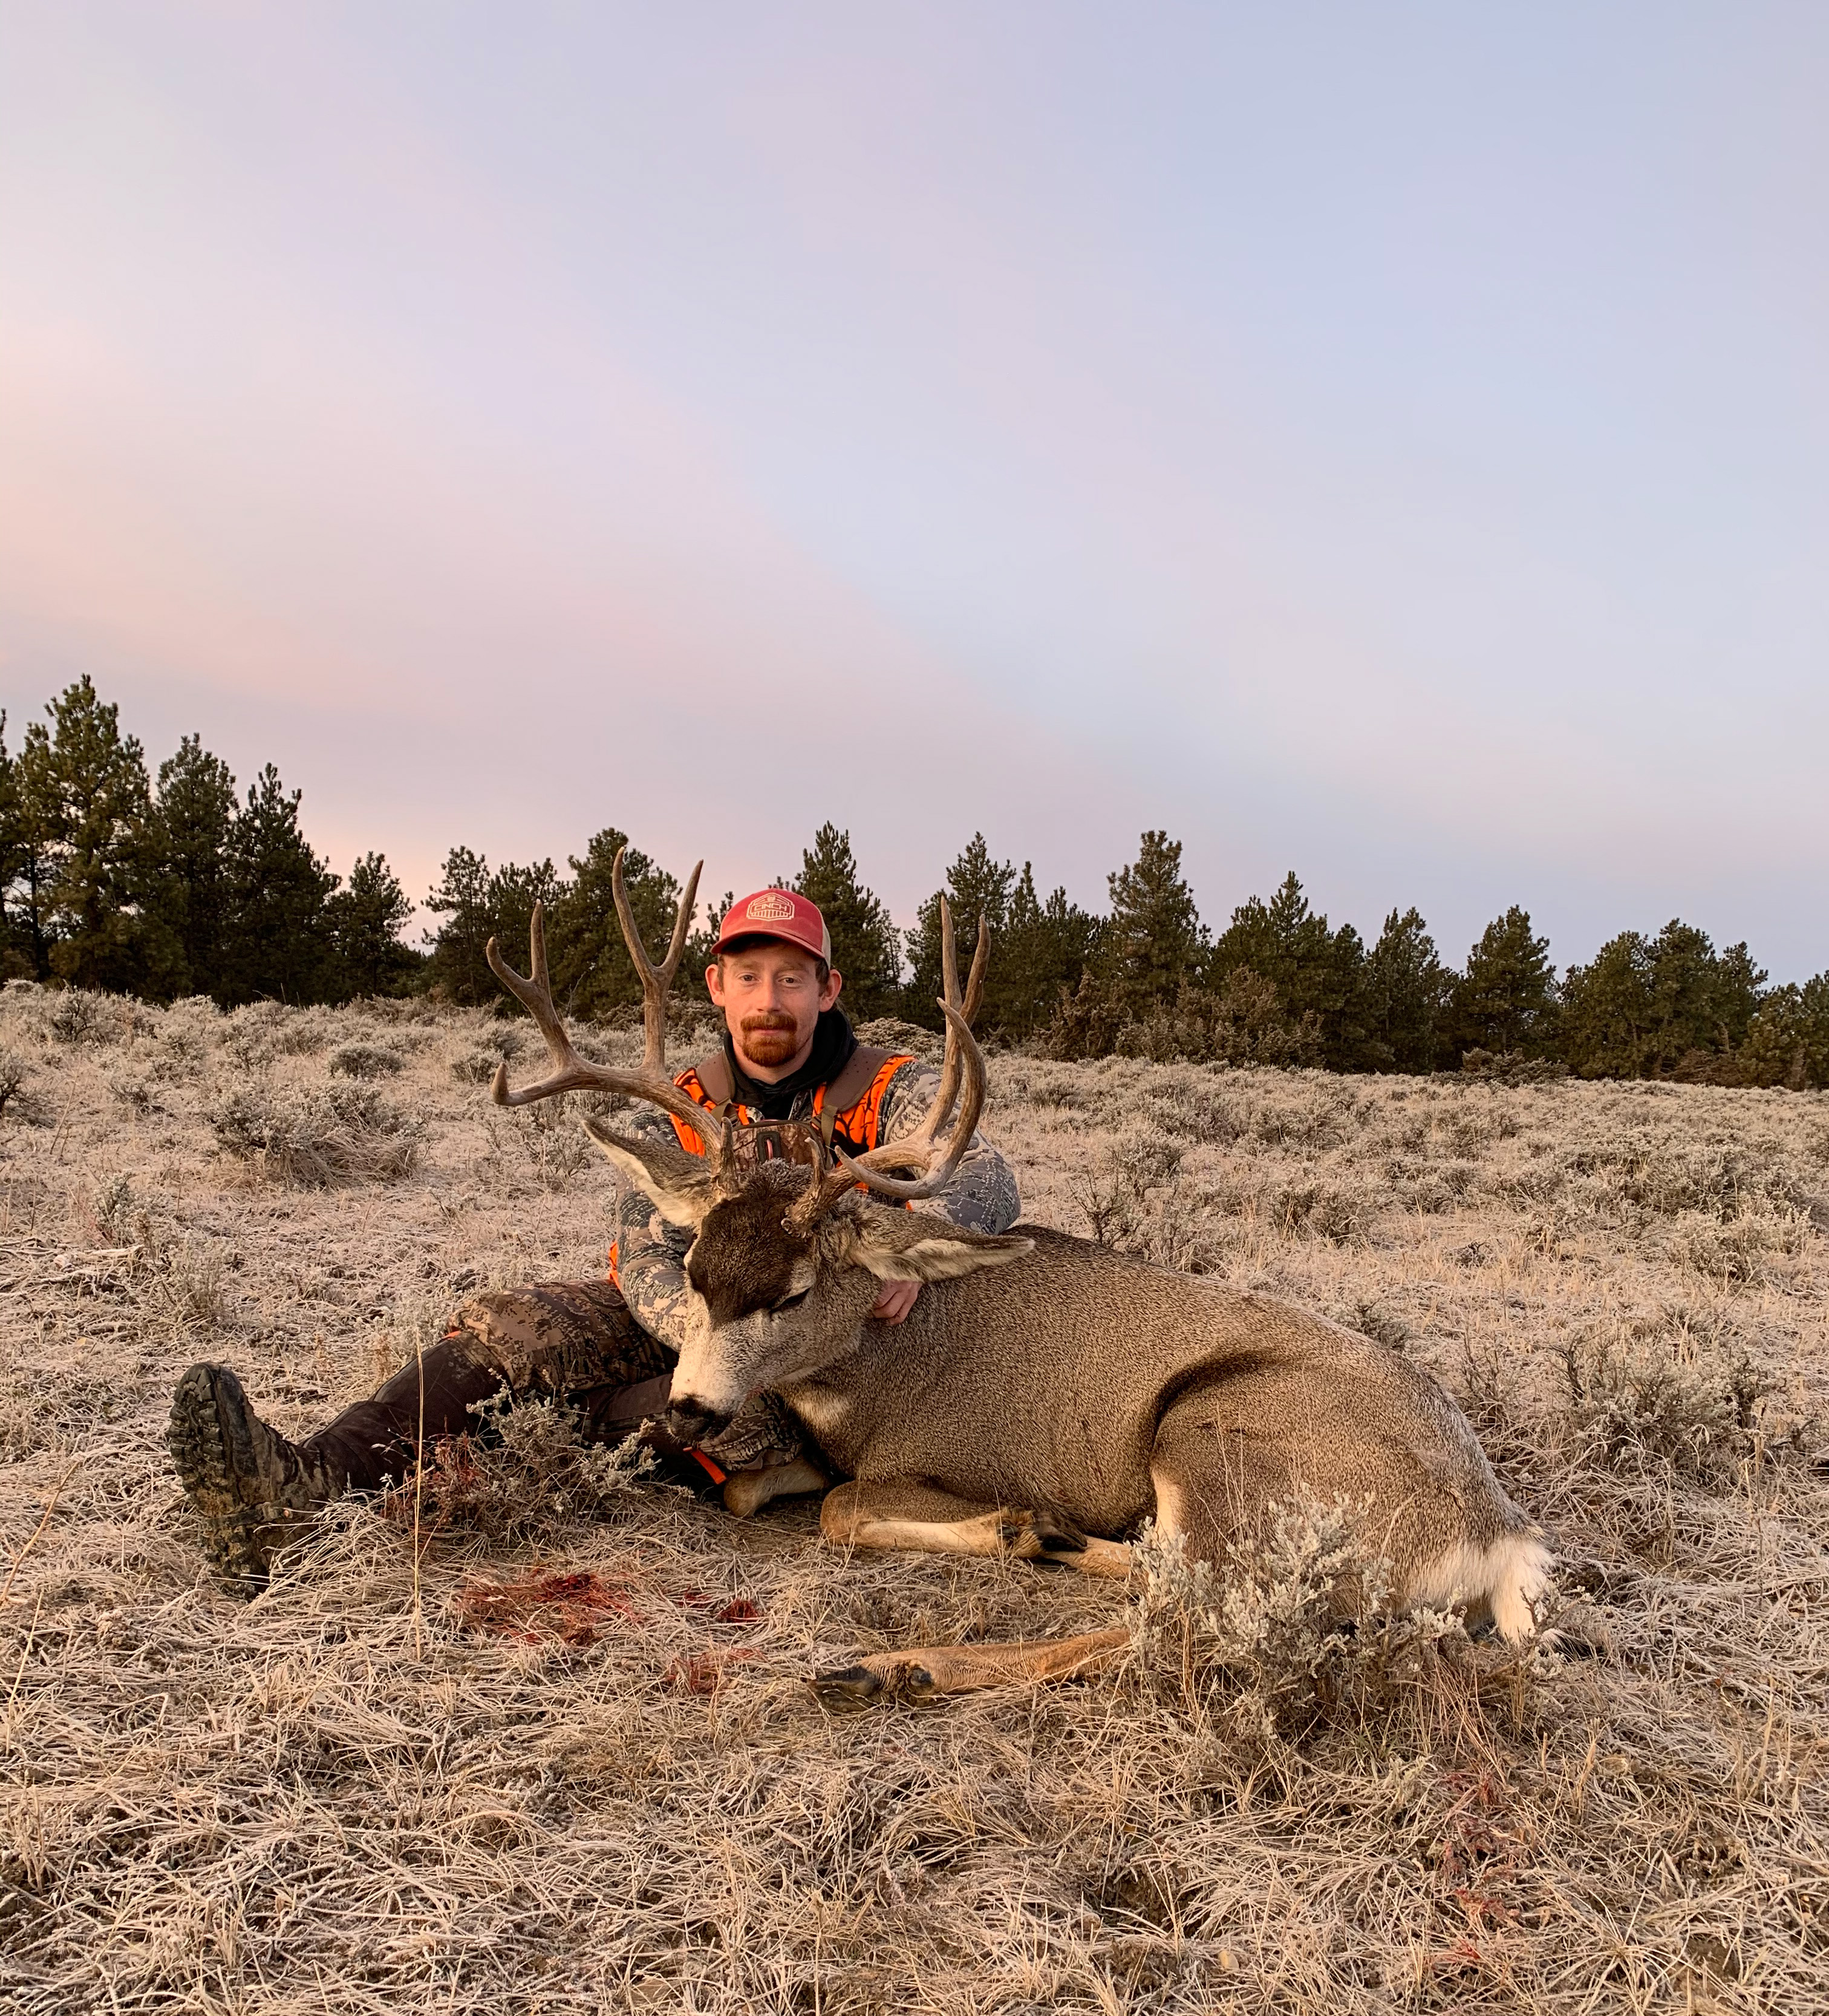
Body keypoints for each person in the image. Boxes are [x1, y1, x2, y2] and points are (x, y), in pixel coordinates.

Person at [168, 885, 1020, 1587]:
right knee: (510, 1331)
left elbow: (985, 1175)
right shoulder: (687, 1101)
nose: (771, 999)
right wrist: (709, 1342)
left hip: (829, 1358)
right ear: (717, 987)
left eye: (793, 979)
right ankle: (308, 1483)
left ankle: (543, 1445)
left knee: (660, 1418)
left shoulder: (890, 1089)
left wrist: (916, 1232)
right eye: (751, 976)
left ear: (828, 991)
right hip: (704, 1324)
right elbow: (645, 1249)